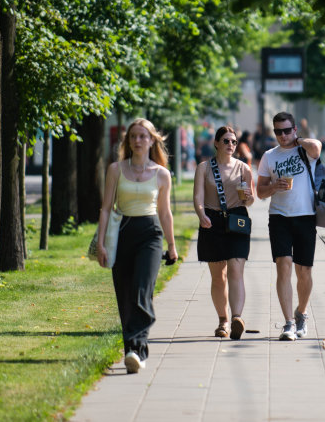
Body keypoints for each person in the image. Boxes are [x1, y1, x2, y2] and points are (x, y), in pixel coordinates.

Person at [95, 118, 178, 373]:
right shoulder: (115, 170)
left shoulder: (162, 174)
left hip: (151, 235)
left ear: (152, 140)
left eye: (143, 136)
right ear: (128, 141)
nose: (138, 141)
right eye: (133, 137)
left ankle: (138, 348)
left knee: (142, 291)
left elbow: (165, 213)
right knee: (125, 295)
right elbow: (107, 209)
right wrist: (100, 243)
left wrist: (172, 245)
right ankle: (132, 350)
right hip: (122, 233)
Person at [255, 112, 322, 341]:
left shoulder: (305, 150)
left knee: (304, 272)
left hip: (305, 216)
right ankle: (288, 323)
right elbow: (260, 192)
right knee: (283, 265)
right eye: (278, 131)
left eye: (286, 130)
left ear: (294, 129)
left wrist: (298, 141)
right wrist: (274, 187)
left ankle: (301, 313)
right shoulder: (268, 156)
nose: (282, 136)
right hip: (279, 217)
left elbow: (317, 147)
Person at [192, 126, 256, 339]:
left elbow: (251, 200)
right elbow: (198, 197)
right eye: (226, 141)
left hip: (237, 219)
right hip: (212, 221)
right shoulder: (204, 168)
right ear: (217, 144)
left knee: (236, 269)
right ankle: (223, 320)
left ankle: (237, 317)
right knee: (218, 276)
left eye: (234, 142)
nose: (231, 145)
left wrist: (247, 196)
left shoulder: (243, 168)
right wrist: (201, 215)